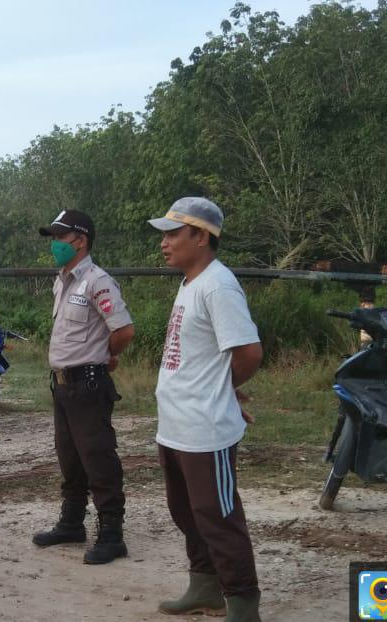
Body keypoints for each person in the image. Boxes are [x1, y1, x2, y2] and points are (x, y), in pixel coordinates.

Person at [147, 197, 264, 621]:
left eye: (173, 233)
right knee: (186, 511)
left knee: (219, 517)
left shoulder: (219, 285)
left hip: (205, 430)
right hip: (176, 426)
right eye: (164, 233)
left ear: (201, 236)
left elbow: (249, 352)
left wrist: (224, 388)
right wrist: (220, 385)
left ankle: (243, 603)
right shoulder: (191, 281)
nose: (165, 242)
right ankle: (205, 586)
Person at [31, 209, 136, 564]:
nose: (55, 245)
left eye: (60, 237)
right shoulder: (63, 280)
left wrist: (105, 354)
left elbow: (123, 330)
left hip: (88, 385)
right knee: (70, 457)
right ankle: (72, 523)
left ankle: (111, 534)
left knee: (98, 457)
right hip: (62, 384)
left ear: (81, 240)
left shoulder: (97, 280)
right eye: (54, 238)